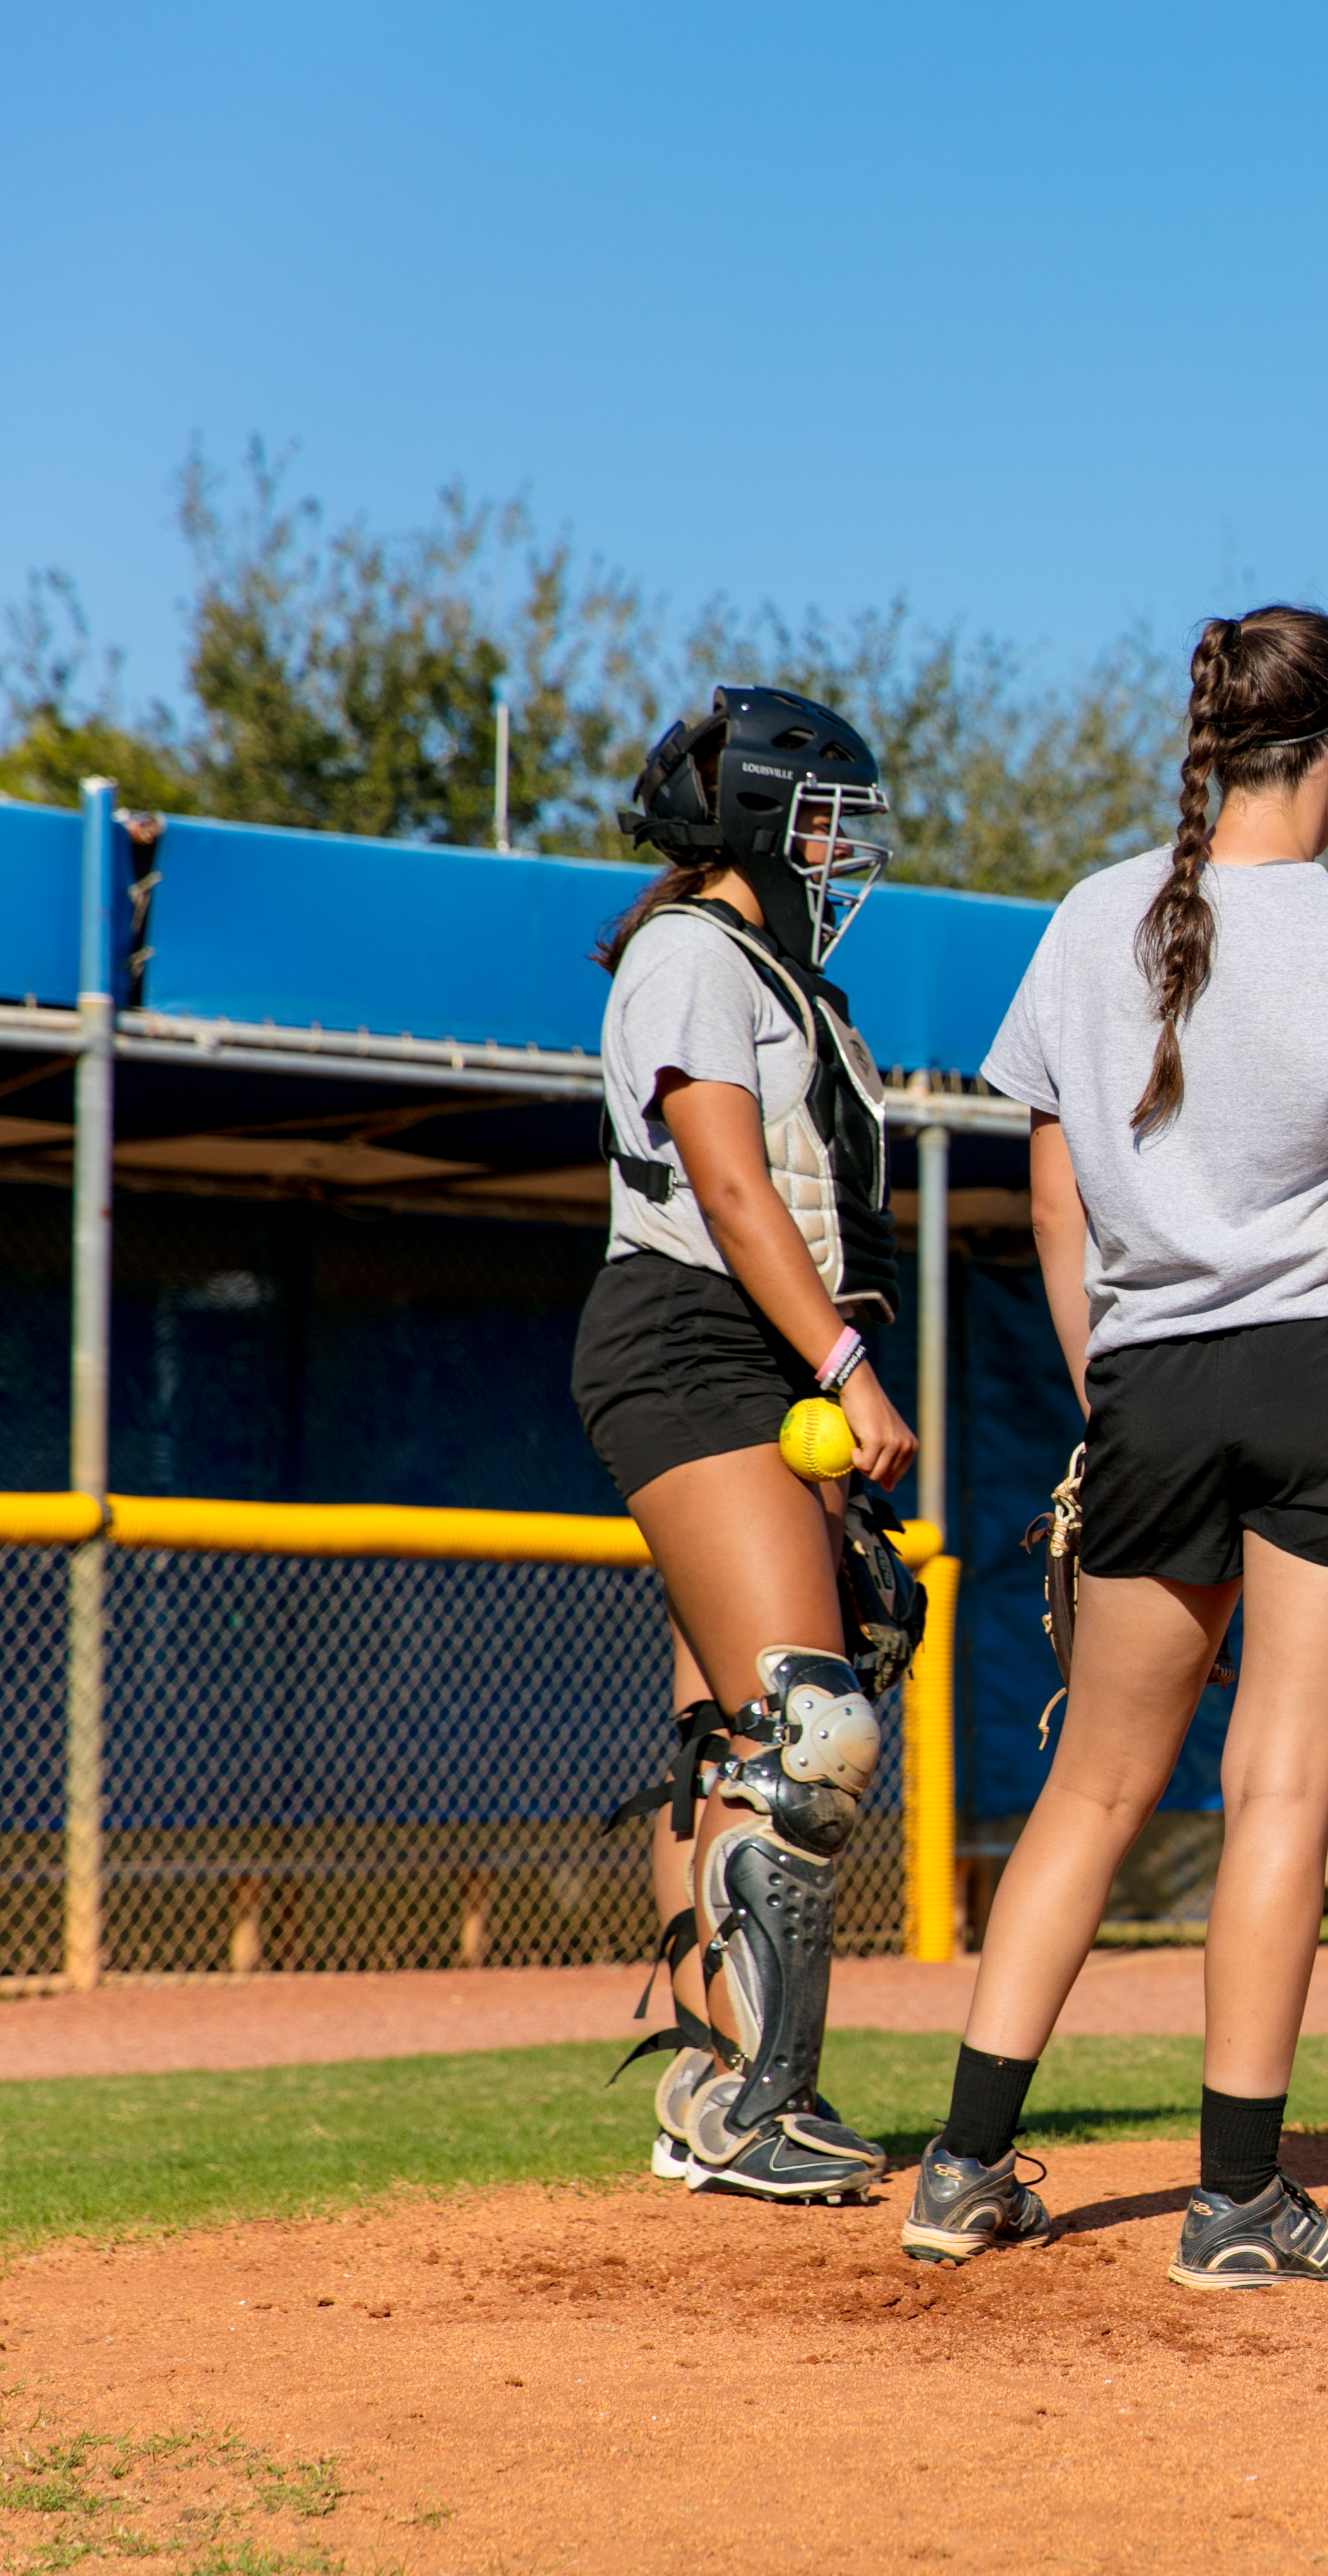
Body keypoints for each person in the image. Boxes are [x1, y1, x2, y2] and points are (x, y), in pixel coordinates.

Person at [901, 605, 1328, 2285]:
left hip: (1155, 1379)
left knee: (1093, 1789)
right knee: (1279, 1791)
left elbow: (1051, 1197)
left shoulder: (1093, 917)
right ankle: (1236, 2202)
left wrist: (1117, 1389)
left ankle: (962, 2167)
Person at [571, 686, 917, 2202]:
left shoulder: (778, 975)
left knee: (732, 1738)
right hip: (693, 1333)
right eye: (829, 819)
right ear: (764, 812)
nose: (846, 854)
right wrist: (846, 1366)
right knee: (810, 1733)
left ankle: (720, 2092)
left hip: (751, 1351)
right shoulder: (690, 954)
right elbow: (727, 1185)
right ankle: (762, 2099)